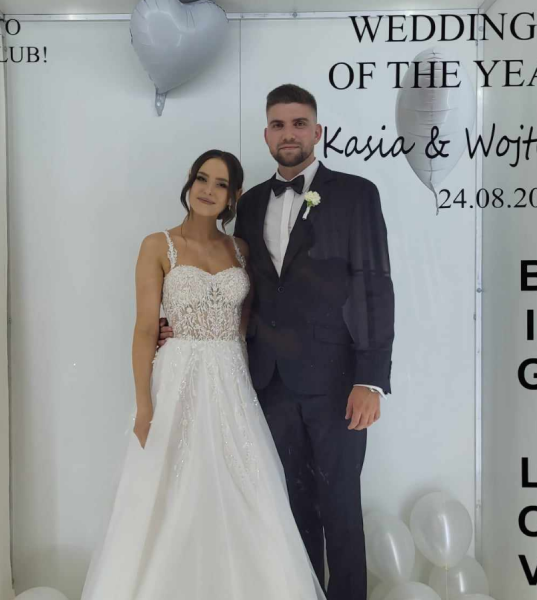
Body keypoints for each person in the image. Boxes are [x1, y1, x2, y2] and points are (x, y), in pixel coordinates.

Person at [159, 84, 395, 600]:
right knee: (287, 507)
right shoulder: (249, 203)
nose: (289, 134)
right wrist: (183, 323)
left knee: (339, 505)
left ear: (318, 131)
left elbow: (374, 286)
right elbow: (237, 283)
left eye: (299, 123)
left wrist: (371, 379)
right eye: (279, 125)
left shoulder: (357, 194)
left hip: (337, 383)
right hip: (267, 382)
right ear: (267, 135)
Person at [80, 149, 326, 600]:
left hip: (231, 380)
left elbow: (245, 324)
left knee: (245, 488)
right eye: (202, 179)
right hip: (177, 379)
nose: (208, 190)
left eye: (220, 184)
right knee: (172, 488)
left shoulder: (241, 250)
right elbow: (144, 329)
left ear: (234, 196)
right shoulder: (158, 245)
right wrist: (144, 404)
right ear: (190, 182)